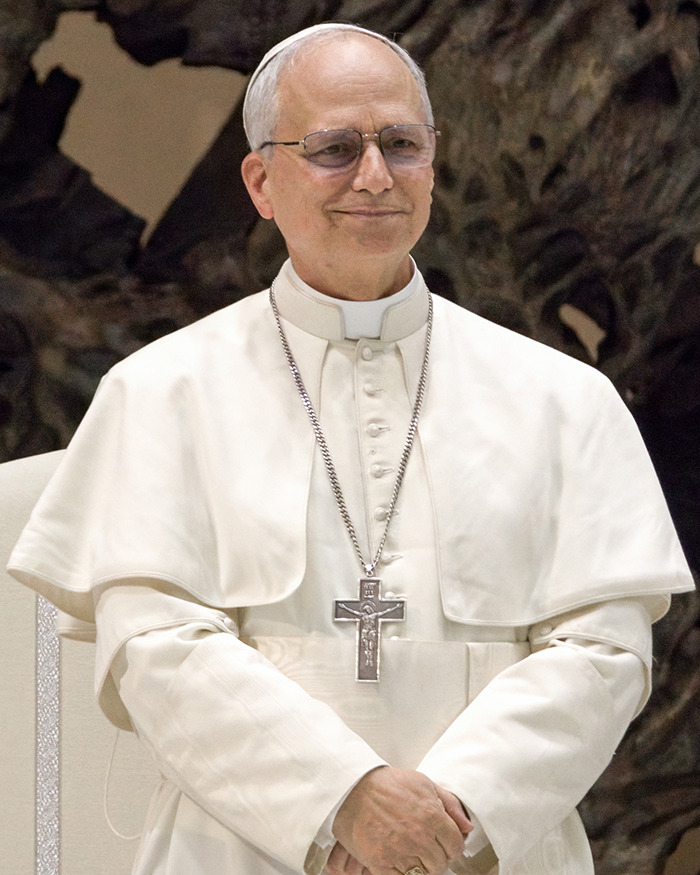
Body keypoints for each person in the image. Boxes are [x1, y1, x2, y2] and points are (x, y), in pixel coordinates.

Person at [7, 22, 694, 875]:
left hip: (488, 854)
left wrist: (450, 822)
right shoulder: (161, 394)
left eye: (402, 144)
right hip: (238, 852)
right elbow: (157, 648)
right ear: (260, 180)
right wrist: (344, 802)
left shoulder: (564, 400)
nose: (375, 177)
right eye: (334, 148)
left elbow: (605, 649)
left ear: (433, 166)